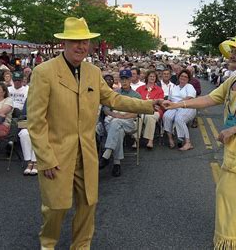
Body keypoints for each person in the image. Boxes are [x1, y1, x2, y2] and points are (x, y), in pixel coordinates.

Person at [27, 17, 160, 249]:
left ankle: (81, 246)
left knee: (88, 204)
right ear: (64, 43)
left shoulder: (93, 71)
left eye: (85, 41)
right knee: (56, 206)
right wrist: (45, 158)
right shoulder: (43, 72)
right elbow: (36, 121)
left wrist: (150, 105)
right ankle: (47, 244)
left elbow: (113, 98)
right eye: (76, 41)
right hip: (57, 154)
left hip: (87, 151)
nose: (81, 46)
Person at [163, 33, 236, 249]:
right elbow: (210, 98)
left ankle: (235, 240)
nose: (231, 55)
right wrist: (177, 105)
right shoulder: (233, 80)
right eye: (232, 51)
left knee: (230, 193)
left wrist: (235, 128)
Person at [99, 69, 142, 176]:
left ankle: (107, 154)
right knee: (118, 130)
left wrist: (121, 116)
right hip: (113, 120)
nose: (124, 81)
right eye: (122, 79)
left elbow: (136, 113)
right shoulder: (114, 93)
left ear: (131, 79)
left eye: (126, 79)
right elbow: (106, 109)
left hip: (128, 121)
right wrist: (116, 115)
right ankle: (116, 163)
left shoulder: (136, 95)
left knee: (116, 123)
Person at [163, 69, 197, 150]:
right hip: (174, 106)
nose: (183, 78)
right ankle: (170, 139)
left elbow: (190, 97)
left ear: (188, 79)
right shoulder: (174, 87)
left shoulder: (189, 86)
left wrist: (177, 104)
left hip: (187, 106)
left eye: (185, 77)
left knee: (179, 118)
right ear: (179, 77)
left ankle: (188, 143)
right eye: (182, 76)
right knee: (166, 116)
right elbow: (170, 99)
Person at [136, 70, 165, 149]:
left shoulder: (159, 89)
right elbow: (136, 101)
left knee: (150, 117)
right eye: (150, 76)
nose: (152, 78)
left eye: (154, 77)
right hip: (141, 109)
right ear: (147, 77)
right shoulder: (140, 89)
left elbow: (160, 102)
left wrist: (154, 103)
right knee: (138, 117)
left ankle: (150, 140)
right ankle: (136, 140)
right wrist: (152, 102)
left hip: (155, 110)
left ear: (156, 78)